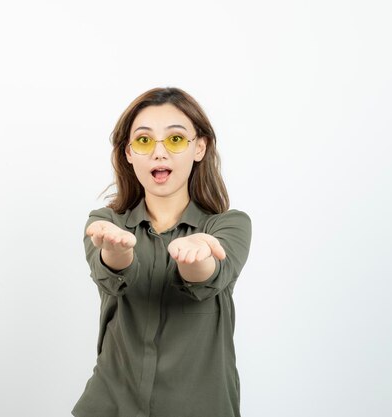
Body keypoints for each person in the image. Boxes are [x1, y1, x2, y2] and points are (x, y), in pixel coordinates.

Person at [71, 87, 253, 417]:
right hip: (110, 405)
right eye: (143, 141)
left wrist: (196, 255)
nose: (159, 153)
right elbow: (114, 272)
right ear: (128, 152)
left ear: (200, 146)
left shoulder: (229, 225)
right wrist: (117, 249)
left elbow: (207, 279)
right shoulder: (105, 223)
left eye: (175, 140)